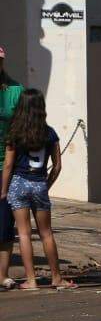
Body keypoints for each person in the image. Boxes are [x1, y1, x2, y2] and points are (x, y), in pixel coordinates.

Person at [0, 88, 75, 290]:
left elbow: (8, 165)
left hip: (18, 183)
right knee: (46, 233)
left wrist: (4, 190)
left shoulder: (14, 133)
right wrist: (46, 184)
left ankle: (31, 280)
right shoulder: (50, 133)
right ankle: (57, 278)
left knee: (24, 234)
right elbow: (58, 166)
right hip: (39, 182)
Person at [0, 47, 19, 291]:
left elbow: (22, 128)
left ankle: (2, 275)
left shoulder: (16, 91)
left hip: (7, 164)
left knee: (4, 224)